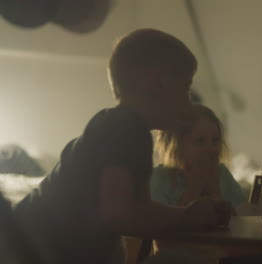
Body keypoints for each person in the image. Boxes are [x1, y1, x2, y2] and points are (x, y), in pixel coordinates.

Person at [13, 28, 228, 264]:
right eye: (185, 87)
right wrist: (190, 217)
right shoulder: (127, 128)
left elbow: (141, 209)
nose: (187, 100)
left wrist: (192, 213)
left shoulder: (120, 126)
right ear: (157, 83)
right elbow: (119, 214)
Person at [151, 103, 246, 210]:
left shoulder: (222, 174)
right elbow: (167, 224)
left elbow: (238, 219)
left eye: (215, 141)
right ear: (177, 147)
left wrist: (214, 191)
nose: (211, 149)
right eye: (200, 141)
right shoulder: (160, 180)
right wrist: (194, 187)